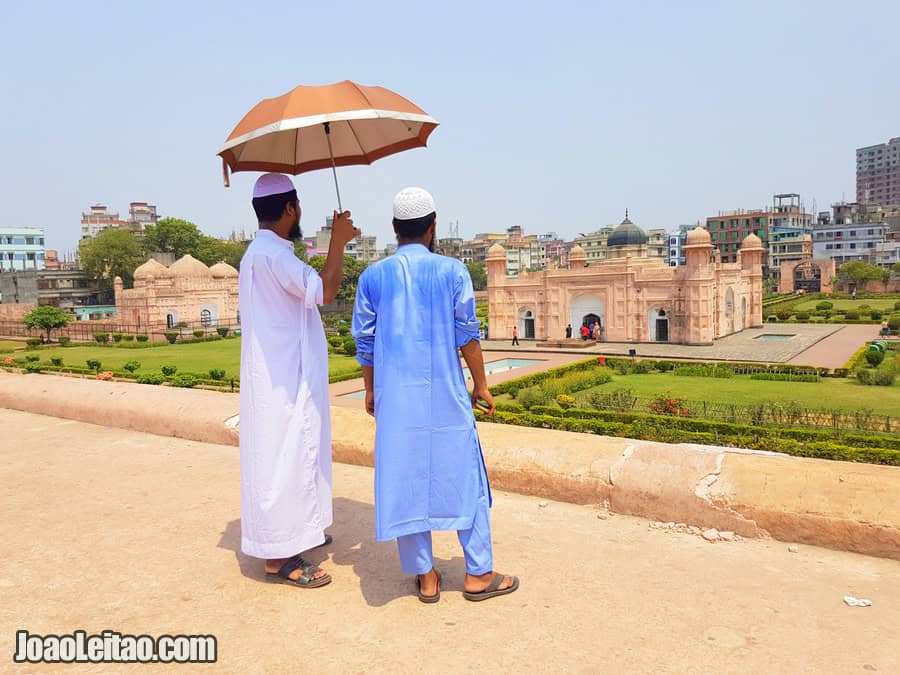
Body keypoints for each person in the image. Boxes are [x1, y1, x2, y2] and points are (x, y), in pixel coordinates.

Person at [352, 187, 519, 604]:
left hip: (397, 400)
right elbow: (468, 335)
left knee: (406, 477)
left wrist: (371, 391)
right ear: (433, 227)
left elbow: (365, 342)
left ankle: (426, 577)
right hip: (446, 394)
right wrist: (481, 385)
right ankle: (478, 572)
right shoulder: (452, 272)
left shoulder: (373, 277)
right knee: (465, 473)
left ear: (394, 229)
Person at [239, 173, 360, 589]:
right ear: (290, 209)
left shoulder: (259, 254)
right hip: (282, 380)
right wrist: (339, 240)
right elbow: (325, 290)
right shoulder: (275, 257)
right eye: (299, 205)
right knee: (284, 460)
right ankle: (280, 557)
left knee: (291, 459)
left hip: (279, 376)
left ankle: (297, 534)